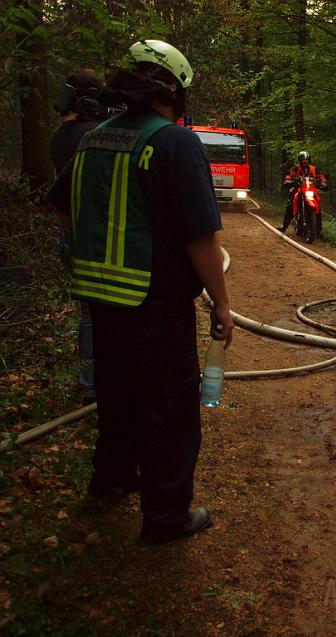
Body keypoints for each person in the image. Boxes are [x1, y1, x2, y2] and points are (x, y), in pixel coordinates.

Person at [47, 39, 234, 543]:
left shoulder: (93, 138)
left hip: (100, 297)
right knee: (168, 411)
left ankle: (110, 481)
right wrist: (221, 303)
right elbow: (201, 238)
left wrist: (89, 254)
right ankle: (166, 518)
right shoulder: (174, 142)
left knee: (116, 396)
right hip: (155, 303)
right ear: (173, 89)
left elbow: (61, 203)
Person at [49, 69, 108, 404]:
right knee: (95, 315)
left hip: (71, 233)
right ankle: (92, 386)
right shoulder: (92, 134)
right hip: (95, 238)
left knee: (89, 312)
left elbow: (57, 197)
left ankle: (91, 381)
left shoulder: (60, 134)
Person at [277, 150, 328, 233]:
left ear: (309, 160)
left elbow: (321, 177)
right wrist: (289, 181)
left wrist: (323, 183)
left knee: (318, 207)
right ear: (300, 160)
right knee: (290, 205)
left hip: (310, 190)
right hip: (299, 189)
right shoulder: (296, 168)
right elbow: (289, 175)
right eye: (303, 159)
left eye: (306, 159)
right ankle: (284, 226)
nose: (305, 161)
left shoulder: (314, 169)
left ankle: (318, 230)